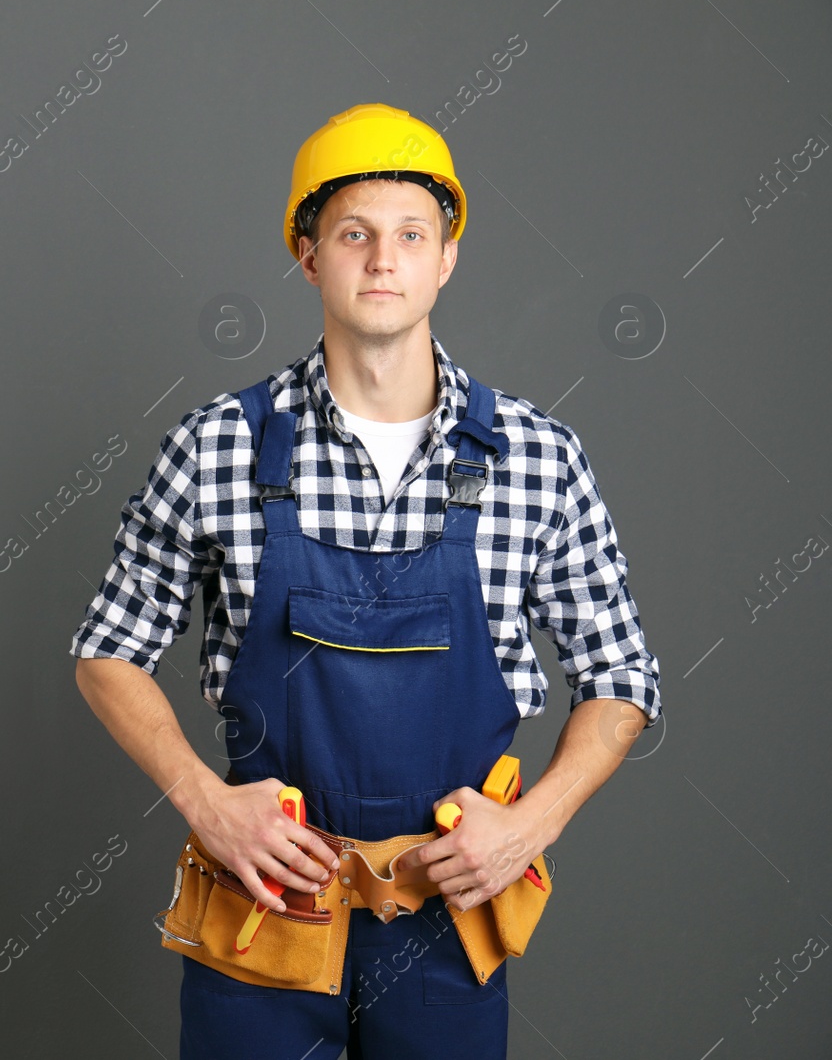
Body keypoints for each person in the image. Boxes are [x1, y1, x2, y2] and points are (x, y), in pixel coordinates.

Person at [69, 103, 662, 1058]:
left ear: (447, 258)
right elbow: (107, 650)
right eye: (354, 235)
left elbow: (623, 675)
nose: (383, 260)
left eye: (410, 236)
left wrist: (526, 826)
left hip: (446, 912)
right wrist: (204, 801)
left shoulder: (536, 457)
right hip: (264, 909)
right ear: (309, 256)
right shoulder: (218, 446)